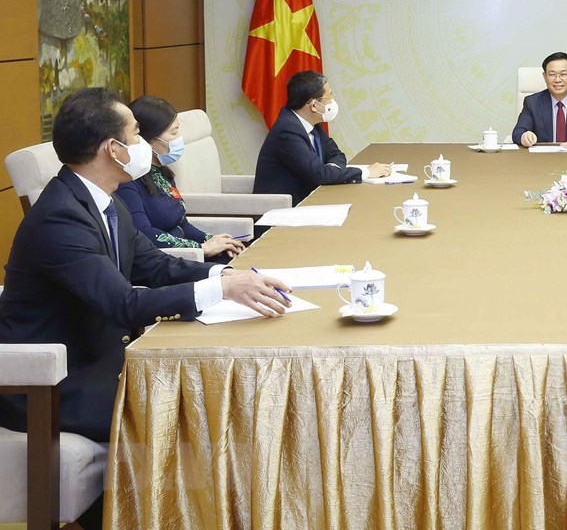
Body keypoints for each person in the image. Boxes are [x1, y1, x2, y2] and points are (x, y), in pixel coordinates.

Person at [0, 87, 291, 443]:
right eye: (136, 133)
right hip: (57, 383)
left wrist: (226, 274)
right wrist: (223, 289)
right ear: (113, 148)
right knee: (204, 408)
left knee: (223, 385)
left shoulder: (104, 199)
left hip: (103, 362)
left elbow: (153, 265)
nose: (143, 144)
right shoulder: (60, 218)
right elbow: (124, 304)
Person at [114, 95, 244, 263]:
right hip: (165, 261)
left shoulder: (162, 172)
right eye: (174, 132)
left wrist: (213, 240)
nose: (179, 139)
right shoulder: (127, 180)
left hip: (187, 254)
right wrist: (199, 248)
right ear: (148, 139)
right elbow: (142, 232)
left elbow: (182, 224)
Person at [253, 71, 391, 205]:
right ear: (314, 105)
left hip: (309, 202)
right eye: (329, 96)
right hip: (281, 213)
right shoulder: (287, 131)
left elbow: (337, 154)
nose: (332, 101)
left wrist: (331, 171)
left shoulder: (312, 123)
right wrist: (367, 172)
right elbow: (320, 175)